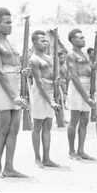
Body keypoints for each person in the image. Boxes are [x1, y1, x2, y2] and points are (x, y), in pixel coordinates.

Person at [0, 7, 29, 178]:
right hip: (4, 87)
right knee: (3, 127)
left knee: (15, 128)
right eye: (7, 23)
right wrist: (13, 96)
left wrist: (23, 72)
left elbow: (15, 67)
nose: (11, 26)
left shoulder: (11, 43)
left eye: (11, 22)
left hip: (16, 84)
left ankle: (9, 167)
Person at [29, 30, 61, 168]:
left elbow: (53, 76)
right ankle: (37, 158)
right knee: (37, 126)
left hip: (51, 91)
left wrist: (57, 81)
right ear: (34, 42)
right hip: (40, 93)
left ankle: (47, 158)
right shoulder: (34, 59)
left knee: (48, 126)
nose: (46, 42)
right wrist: (50, 101)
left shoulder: (50, 58)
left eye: (47, 40)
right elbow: (39, 83)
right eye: (42, 40)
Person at [67, 29, 96, 160]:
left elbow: (87, 71)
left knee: (84, 120)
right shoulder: (71, 55)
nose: (84, 39)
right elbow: (74, 76)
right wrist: (85, 96)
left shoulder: (85, 54)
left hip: (87, 86)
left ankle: (81, 150)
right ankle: (71, 151)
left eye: (84, 37)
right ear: (73, 40)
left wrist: (92, 67)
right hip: (77, 88)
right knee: (74, 120)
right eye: (80, 38)